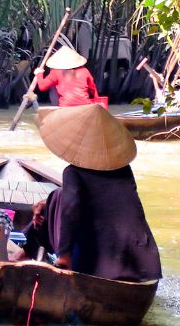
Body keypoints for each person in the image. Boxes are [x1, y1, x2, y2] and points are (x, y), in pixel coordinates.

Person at [30, 105, 162, 282]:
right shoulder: (124, 170)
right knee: (56, 196)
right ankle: (28, 243)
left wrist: (64, 255)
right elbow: (106, 201)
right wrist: (48, 204)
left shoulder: (72, 172)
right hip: (142, 264)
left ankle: (26, 248)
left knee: (56, 198)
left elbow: (71, 208)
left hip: (101, 267)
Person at [33, 45, 106, 107]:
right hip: (85, 105)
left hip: (66, 106)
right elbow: (93, 88)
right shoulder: (85, 71)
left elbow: (42, 86)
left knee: (53, 88)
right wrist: (97, 100)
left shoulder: (56, 72)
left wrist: (39, 74)